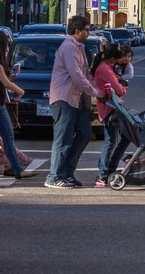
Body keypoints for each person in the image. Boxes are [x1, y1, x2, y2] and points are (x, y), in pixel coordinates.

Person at [45, 16, 105, 189]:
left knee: (85, 133)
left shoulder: (79, 47)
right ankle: (54, 176)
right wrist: (95, 93)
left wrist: (92, 92)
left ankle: (67, 172)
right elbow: (76, 75)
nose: (89, 32)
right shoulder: (69, 47)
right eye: (87, 29)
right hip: (64, 98)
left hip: (77, 98)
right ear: (77, 31)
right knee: (63, 139)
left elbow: (85, 75)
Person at [0, 31, 36, 180]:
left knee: (8, 137)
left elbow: (3, 81)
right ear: (0, 44)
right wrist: (20, 91)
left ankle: (17, 169)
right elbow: (6, 82)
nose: (8, 46)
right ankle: (17, 169)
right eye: (6, 43)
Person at [93, 44, 128, 187]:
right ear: (112, 59)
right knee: (111, 141)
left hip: (111, 107)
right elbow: (116, 86)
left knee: (116, 139)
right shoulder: (104, 69)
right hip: (109, 108)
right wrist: (123, 90)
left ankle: (108, 170)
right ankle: (103, 174)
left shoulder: (104, 67)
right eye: (116, 60)